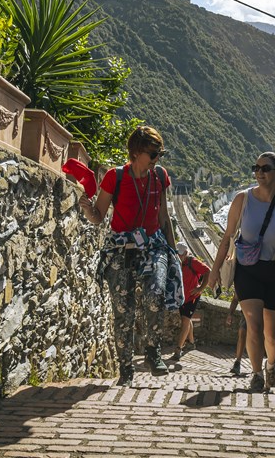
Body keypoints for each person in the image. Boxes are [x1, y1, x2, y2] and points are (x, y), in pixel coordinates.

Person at [79, 125, 178, 385]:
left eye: (160, 153)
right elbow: (98, 217)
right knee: (124, 311)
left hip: (153, 244)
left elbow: (164, 217)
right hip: (119, 249)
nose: (158, 158)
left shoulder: (160, 176)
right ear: (136, 153)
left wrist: (173, 251)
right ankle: (125, 369)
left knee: (155, 293)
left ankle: (152, 351)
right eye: (153, 153)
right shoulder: (115, 177)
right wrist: (88, 210)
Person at [207, 152, 275, 393]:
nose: (260, 172)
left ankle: (271, 366)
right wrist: (214, 270)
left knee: (272, 334)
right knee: (253, 323)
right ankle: (257, 374)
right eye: (256, 168)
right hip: (248, 270)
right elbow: (227, 237)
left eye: (266, 168)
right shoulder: (242, 199)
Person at [170, 243, 210, 362]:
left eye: (181, 255)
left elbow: (208, 271)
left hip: (192, 297)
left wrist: (200, 288)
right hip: (182, 296)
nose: (179, 257)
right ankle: (191, 342)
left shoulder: (193, 262)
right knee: (186, 320)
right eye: (178, 254)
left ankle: (178, 349)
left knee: (185, 321)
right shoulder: (177, 262)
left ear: (186, 253)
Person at [225, 294, 247, 375]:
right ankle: (237, 362)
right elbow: (235, 299)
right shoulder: (242, 281)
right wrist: (230, 314)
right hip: (246, 312)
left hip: (262, 311)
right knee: (242, 331)